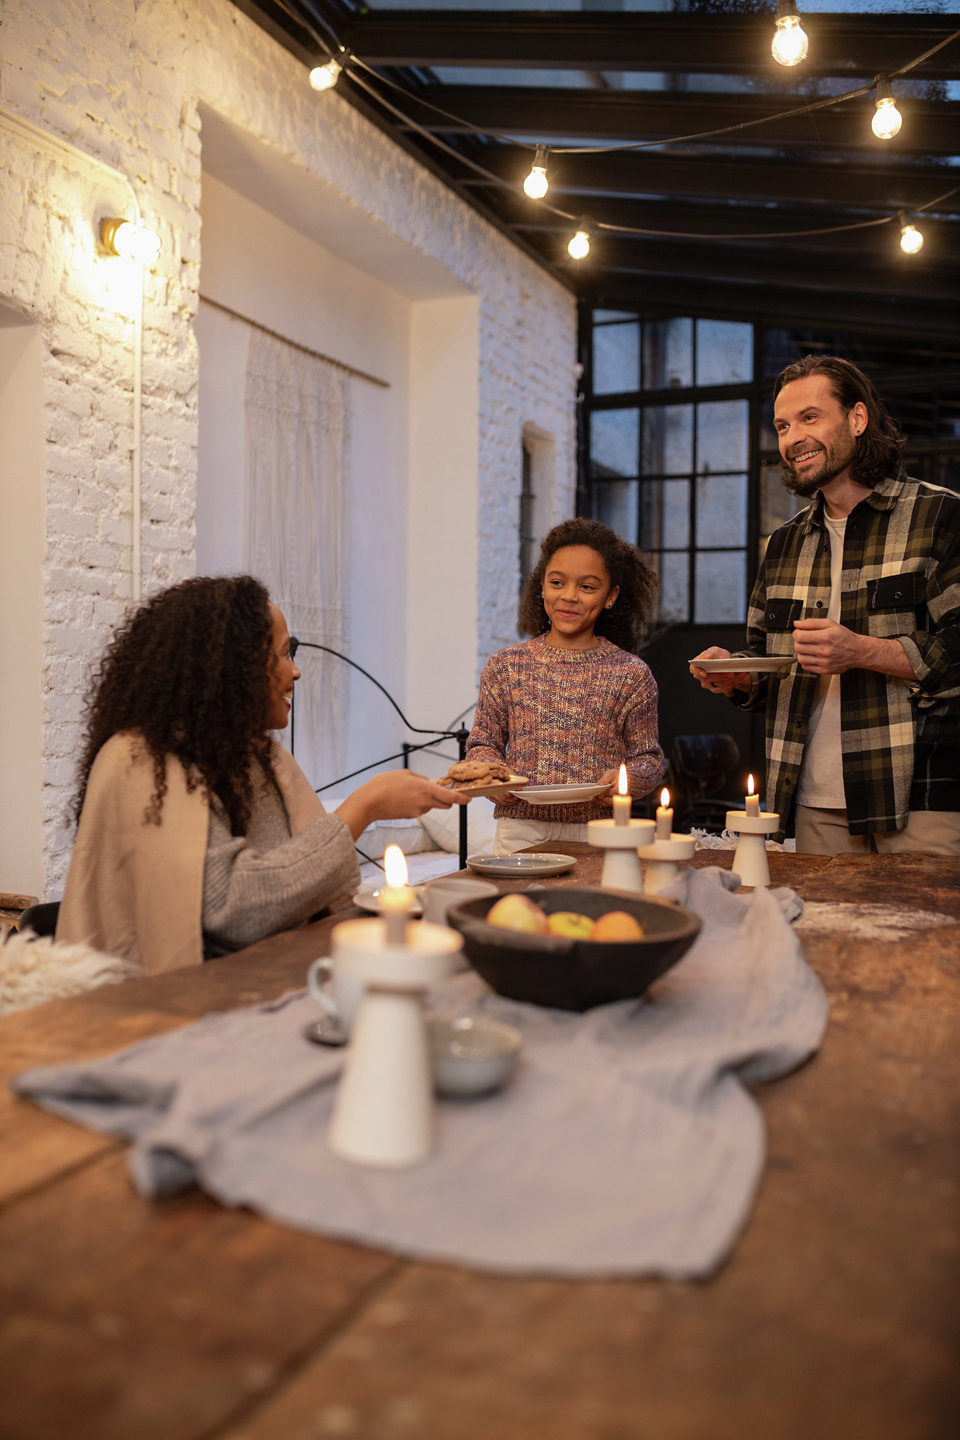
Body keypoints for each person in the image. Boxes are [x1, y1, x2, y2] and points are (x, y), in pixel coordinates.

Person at [56, 576, 466, 971]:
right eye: (284, 654)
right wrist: (363, 808)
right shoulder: (141, 762)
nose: (295, 672)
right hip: (164, 1007)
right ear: (234, 667)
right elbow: (233, 910)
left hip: (268, 974)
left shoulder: (256, 755)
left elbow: (306, 884)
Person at [690, 354, 960, 856]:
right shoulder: (785, 543)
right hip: (813, 797)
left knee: (924, 934)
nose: (793, 438)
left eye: (810, 417)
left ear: (857, 419)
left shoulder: (940, 514)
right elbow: (770, 665)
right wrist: (739, 675)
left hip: (919, 792)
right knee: (823, 933)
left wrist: (860, 652)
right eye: (783, 425)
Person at [467, 517, 664, 855]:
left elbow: (649, 759)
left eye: (587, 587)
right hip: (520, 831)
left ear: (611, 596)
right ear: (541, 585)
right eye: (557, 582)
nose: (569, 596)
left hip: (602, 832)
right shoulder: (506, 666)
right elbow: (481, 744)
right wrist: (491, 775)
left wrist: (625, 781)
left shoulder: (631, 674)